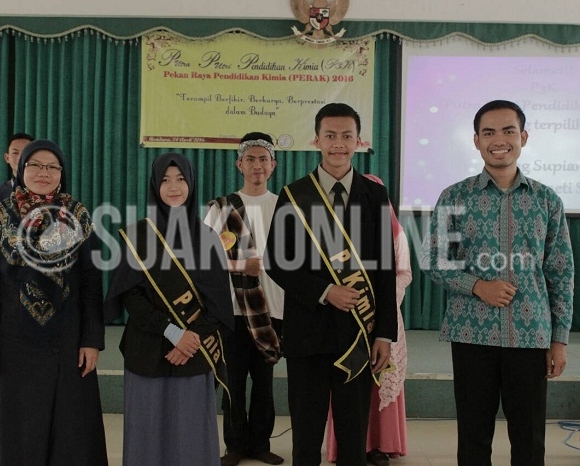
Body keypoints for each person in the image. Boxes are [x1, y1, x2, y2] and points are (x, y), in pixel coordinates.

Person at [421, 99, 575, 466]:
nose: (499, 139)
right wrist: (478, 286)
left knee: (529, 436)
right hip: (472, 334)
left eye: (508, 131)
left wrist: (559, 339)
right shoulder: (455, 196)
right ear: (476, 141)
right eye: (488, 132)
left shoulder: (546, 200)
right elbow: (433, 260)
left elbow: (561, 272)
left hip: (530, 333)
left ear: (523, 137)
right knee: (474, 436)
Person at [265, 102, 397, 466]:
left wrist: (384, 333)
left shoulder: (374, 196)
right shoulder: (294, 195)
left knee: (353, 436)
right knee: (306, 436)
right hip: (307, 332)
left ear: (359, 141)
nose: (338, 144)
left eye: (346, 136)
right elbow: (276, 261)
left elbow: (385, 268)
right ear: (317, 140)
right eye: (330, 136)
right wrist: (325, 291)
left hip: (358, 332)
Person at [0, 139, 108, 465]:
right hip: (11, 342)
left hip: (67, 341)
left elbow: (90, 283)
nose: (44, 173)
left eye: (52, 166)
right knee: (16, 432)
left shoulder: (77, 215)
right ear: (21, 169)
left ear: (62, 173)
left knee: (70, 432)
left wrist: (91, 340)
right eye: (36, 165)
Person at [104, 152, 234, 466]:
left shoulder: (207, 237)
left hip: (193, 351)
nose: (173, 187)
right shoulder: (138, 236)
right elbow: (130, 296)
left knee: (189, 435)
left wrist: (190, 340)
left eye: (180, 179)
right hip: (147, 349)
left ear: (191, 184)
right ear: (153, 186)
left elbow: (218, 303)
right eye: (165, 180)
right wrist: (173, 332)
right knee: (147, 435)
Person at [204, 132, 285, 466]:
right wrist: (240, 265)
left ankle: (260, 443)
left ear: (273, 165)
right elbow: (203, 258)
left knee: (265, 383)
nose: (257, 166)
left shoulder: (285, 205)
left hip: (275, 307)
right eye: (250, 159)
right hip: (235, 310)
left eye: (263, 159)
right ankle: (234, 445)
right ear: (239, 164)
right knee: (233, 381)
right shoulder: (222, 208)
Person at [325, 174, 412, 465]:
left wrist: (380, 300)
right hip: (345, 317)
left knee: (380, 377)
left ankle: (380, 445)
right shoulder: (337, 235)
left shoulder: (395, 233)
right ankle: (349, 448)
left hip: (383, 320)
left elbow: (404, 273)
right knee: (348, 381)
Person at [0, 132, 34, 219]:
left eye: (25, 152)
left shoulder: (47, 192)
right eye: (15, 153)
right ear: (7, 158)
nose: (20, 157)